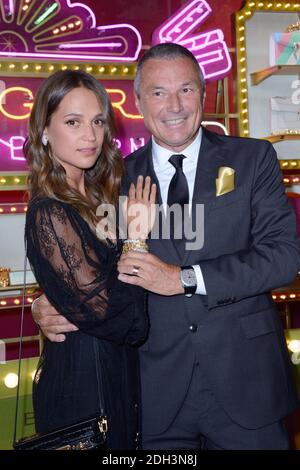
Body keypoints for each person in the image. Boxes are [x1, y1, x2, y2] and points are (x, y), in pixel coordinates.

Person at [32, 44, 300, 450]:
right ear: (138, 101)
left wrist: (184, 279)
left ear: (203, 94)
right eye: (158, 92)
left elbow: (283, 258)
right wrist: (48, 301)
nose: (174, 105)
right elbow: (84, 259)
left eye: (186, 90)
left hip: (247, 383)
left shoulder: (253, 158)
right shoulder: (112, 179)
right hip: (151, 390)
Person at [24, 69, 156, 450]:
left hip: (117, 378)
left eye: (97, 121)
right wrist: (135, 239)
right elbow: (124, 320)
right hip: (83, 394)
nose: (90, 134)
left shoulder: (101, 201)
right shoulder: (50, 211)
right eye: (73, 122)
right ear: (45, 131)